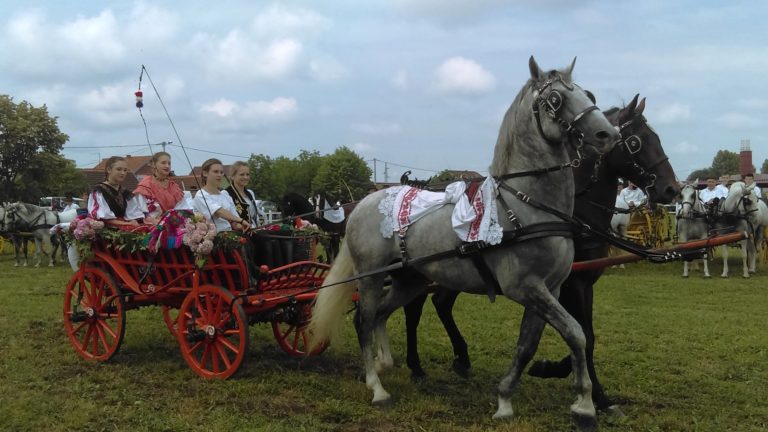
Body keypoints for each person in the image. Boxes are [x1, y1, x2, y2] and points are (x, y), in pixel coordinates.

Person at [192, 158, 249, 233]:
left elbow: (234, 220)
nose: (219, 175)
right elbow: (219, 212)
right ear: (205, 173)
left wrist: (242, 226)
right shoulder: (201, 195)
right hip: (212, 238)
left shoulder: (225, 195)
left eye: (221, 172)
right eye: (216, 172)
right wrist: (241, 220)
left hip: (230, 235)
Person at [88, 156, 146, 228]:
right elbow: (104, 218)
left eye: (125, 170)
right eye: (119, 169)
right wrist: (127, 224)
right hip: (105, 231)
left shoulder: (126, 193)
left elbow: (134, 215)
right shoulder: (99, 190)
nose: (123, 173)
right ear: (109, 170)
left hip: (123, 229)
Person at [134, 151, 187, 219]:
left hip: (175, 221)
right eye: (163, 163)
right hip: (155, 223)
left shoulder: (173, 186)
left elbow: (182, 208)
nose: (167, 166)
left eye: (169, 163)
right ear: (154, 164)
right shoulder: (146, 185)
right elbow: (146, 212)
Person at [224, 161, 261, 228]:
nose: (245, 177)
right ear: (232, 176)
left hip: (253, 230)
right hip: (238, 232)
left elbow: (255, 216)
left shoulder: (250, 193)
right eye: (242, 174)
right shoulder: (226, 194)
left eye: (247, 174)